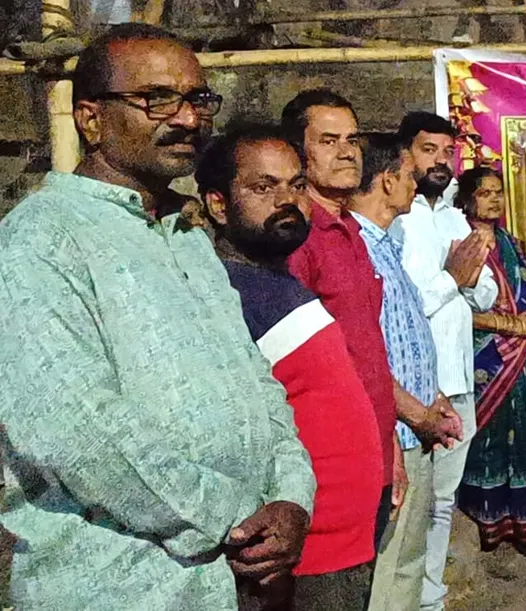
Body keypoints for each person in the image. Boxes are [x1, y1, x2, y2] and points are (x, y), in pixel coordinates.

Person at [0, 24, 314, 609]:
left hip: (232, 581)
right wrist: (236, 518)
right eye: (156, 100)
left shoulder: (187, 237)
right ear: (90, 119)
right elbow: (76, 435)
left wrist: (294, 497)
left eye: (198, 99)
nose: (189, 119)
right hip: (121, 587)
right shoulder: (40, 240)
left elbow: (258, 385)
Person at [279, 90, 461, 611]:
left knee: (386, 577)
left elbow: (371, 355)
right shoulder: (298, 237)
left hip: (382, 445)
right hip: (328, 461)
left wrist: (390, 445)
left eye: (352, 139)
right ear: (300, 152)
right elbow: (317, 366)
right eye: (328, 141)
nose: (346, 152)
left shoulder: (352, 237)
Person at [199, 125, 383, 610]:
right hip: (295, 557)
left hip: (340, 546)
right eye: (263, 188)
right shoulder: (221, 293)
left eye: (296, 185)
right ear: (218, 205)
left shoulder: (275, 284)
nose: (287, 200)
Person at [392, 112, 499, 611]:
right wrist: (452, 278)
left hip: (457, 385)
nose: (440, 160)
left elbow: (486, 295)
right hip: (414, 391)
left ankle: (431, 597)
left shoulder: (454, 216)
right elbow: (400, 301)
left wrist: (466, 278)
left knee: (440, 506)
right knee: (409, 506)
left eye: (446, 151)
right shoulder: (397, 217)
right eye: (428, 149)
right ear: (405, 154)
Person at [345, 133, 453, 611]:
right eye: (409, 175)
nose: (415, 184)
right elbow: (360, 355)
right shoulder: (355, 249)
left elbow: (403, 336)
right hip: (395, 436)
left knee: (408, 563)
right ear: (388, 181)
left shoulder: (385, 243)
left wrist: (435, 396)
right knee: (391, 571)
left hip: (415, 430)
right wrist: (414, 415)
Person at [455, 167, 526, 560]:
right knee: (490, 440)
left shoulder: (510, 243)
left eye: (498, 193)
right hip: (488, 361)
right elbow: (454, 307)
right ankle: (489, 518)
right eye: (484, 193)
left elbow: (525, 293)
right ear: (467, 199)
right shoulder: (459, 243)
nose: (494, 200)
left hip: (525, 360)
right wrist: (511, 326)